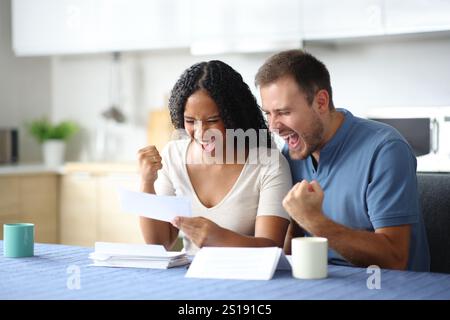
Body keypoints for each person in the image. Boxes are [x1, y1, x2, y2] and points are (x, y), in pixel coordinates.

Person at [255, 49, 430, 271]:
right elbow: (292, 247)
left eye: (284, 112)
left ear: (320, 102)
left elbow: (395, 258)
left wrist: (315, 221)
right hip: (320, 283)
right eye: (268, 113)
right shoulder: (293, 153)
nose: (273, 126)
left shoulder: (385, 150)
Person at [138, 60, 291, 255]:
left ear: (233, 116)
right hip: (191, 278)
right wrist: (146, 182)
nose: (201, 132)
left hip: (248, 279)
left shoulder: (269, 164)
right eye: (190, 121)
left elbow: (271, 248)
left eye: (212, 121)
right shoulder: (173, 156)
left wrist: (220, 238)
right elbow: (160, 243)